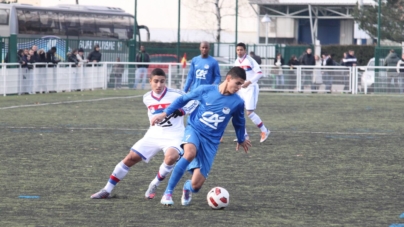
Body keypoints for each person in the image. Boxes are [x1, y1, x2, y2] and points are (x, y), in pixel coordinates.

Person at [150, 67, 252, 206]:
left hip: (211, 142)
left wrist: (241, 139)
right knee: (190, 153)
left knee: (196, 186)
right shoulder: (205, 90)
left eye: (242, 84)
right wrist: (165, 113)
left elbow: (239, 122)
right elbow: (183, 99)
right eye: (238, 83)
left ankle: (187, 187)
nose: (239, 87)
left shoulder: (238, 102)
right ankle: (168, 192)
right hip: (195, 130)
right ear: (228, 79)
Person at [90, 68, 198, 199]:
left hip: (174, 134)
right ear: (150, 81)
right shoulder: (146, 98)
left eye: (162, 82)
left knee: (171, 157)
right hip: (154, 134)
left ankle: (155, 183)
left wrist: (181, 110)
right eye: (156, 81)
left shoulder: (176, 94)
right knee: (130, 158)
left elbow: (195, 101)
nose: (159, 85)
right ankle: (107, 189)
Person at [234, 42, 270, 143]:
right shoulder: (236, 62)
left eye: (241, 50)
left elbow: (259, 73)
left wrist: (249, 82)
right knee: (238, 111)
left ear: (245, 50)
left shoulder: (250, 60)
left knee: (249, 112)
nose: (239, 52)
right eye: (238, 50)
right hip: (241, 89)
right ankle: (244, 135)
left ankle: (265, 131)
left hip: (251, 88)